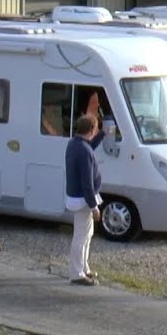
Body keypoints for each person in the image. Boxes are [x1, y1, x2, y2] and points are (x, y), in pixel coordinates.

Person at [64, 114, 105, 286]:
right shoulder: (84, 151)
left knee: (87, 234)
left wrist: (103, 134)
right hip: (83, 200)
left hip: (76, 197)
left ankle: (84, 267)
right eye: (96, 128)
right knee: (81, 236)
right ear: (92, 129)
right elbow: (87, 183)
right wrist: (94, 206)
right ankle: (77, 273)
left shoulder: (74, 144)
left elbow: (90, 145)